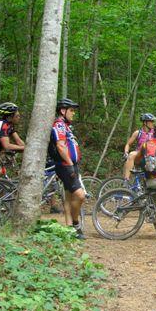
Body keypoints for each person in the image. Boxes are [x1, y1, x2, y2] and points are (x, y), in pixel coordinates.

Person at [49, 98, 86, 239]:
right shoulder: (59, 125)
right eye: (71, 110)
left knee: (69, 197)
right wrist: (70, 164)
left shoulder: (65, 125)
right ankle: (76, 224)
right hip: (65, 166)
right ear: (62, 111)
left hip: (70, 164)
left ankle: (68, 228)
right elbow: (60, 145)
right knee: (80, 196)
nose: (73, 113)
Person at [122, 113, 156, 181]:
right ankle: (126, 181)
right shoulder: (138, 133)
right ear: (145, 122)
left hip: (151, 157)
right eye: (151, 121)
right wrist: (126, 152)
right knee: (130, 156)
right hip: (139, 155)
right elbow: (128, 144)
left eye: (153, 121)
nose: (153, 123)